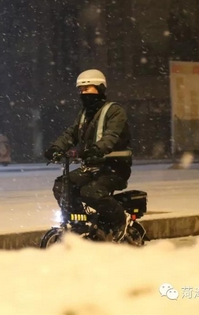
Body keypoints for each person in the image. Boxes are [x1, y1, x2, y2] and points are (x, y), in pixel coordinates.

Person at [44, 69, 133, 243]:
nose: (84, 93)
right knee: (63, 186)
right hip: (91, 167)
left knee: (91, 192)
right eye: (81, 90)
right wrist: (55, 148)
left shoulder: (114, 111)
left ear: (99, 88)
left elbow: (111, 136)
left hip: (114, 167)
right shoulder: (84, 114)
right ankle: (80, 225)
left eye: (88, 89)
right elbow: (71, 134)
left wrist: (97, 150)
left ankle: (118, 221)